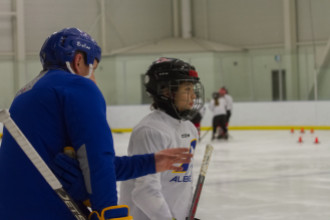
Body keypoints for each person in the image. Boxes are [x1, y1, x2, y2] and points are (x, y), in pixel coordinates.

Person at [0, 28, 192, 220]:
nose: (94, 78)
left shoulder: (25, 93)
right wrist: (108, 211)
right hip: (50, 210)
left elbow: (90, 166)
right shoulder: (78, 86)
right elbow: (96, 157)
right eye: (94, 68)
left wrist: (150, 162)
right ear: (78, 61)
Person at [119, 57, 204, 220]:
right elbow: (144, 191)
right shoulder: (150, 130)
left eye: (193, 89)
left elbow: (182, 183)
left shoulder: (189, 128)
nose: (194, 96)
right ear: (166, 91)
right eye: (187, 89)